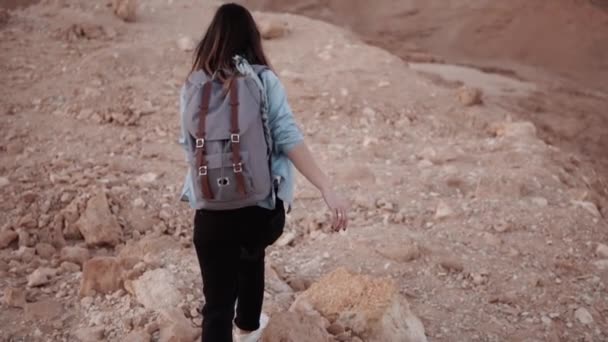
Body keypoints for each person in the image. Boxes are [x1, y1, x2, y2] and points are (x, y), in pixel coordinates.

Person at [178, 3, 349, 342]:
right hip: (259, 211)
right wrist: (327, 188)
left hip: (210, 208)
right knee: (251, 254)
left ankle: (233, 326)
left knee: (216, 304)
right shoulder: (264, 79)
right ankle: (246, 329)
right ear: (252, 39)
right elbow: (288, 137)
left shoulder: (193, 86)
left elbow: (188, 145)